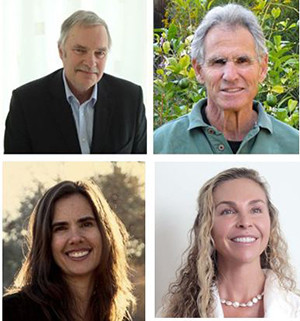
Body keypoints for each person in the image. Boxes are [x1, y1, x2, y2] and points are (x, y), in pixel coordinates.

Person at [154, 4, 298, 154]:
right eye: (218, 62)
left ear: (262, 68)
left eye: (242, 61)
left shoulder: (294, 145)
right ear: (198, 70)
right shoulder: (160, 145)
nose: (230, 75)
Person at [158, 168, 300, 317]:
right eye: (228, 211)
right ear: (207, 226)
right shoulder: (171, 314)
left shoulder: (296, 310)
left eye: (256, 210)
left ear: (270, 220)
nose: (245, 222)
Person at [4, 10, 146, 154]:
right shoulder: (26, 102)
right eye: (80, 50)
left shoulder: (131, 98)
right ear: (61, 51)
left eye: (99, 53)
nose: (91, 63)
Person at [3, 180, 135, 321]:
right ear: (46, 241)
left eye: (86, 224)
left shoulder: (119, 315)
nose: (76, 238)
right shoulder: (10, 312)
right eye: (60, 228)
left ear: (105, 233)